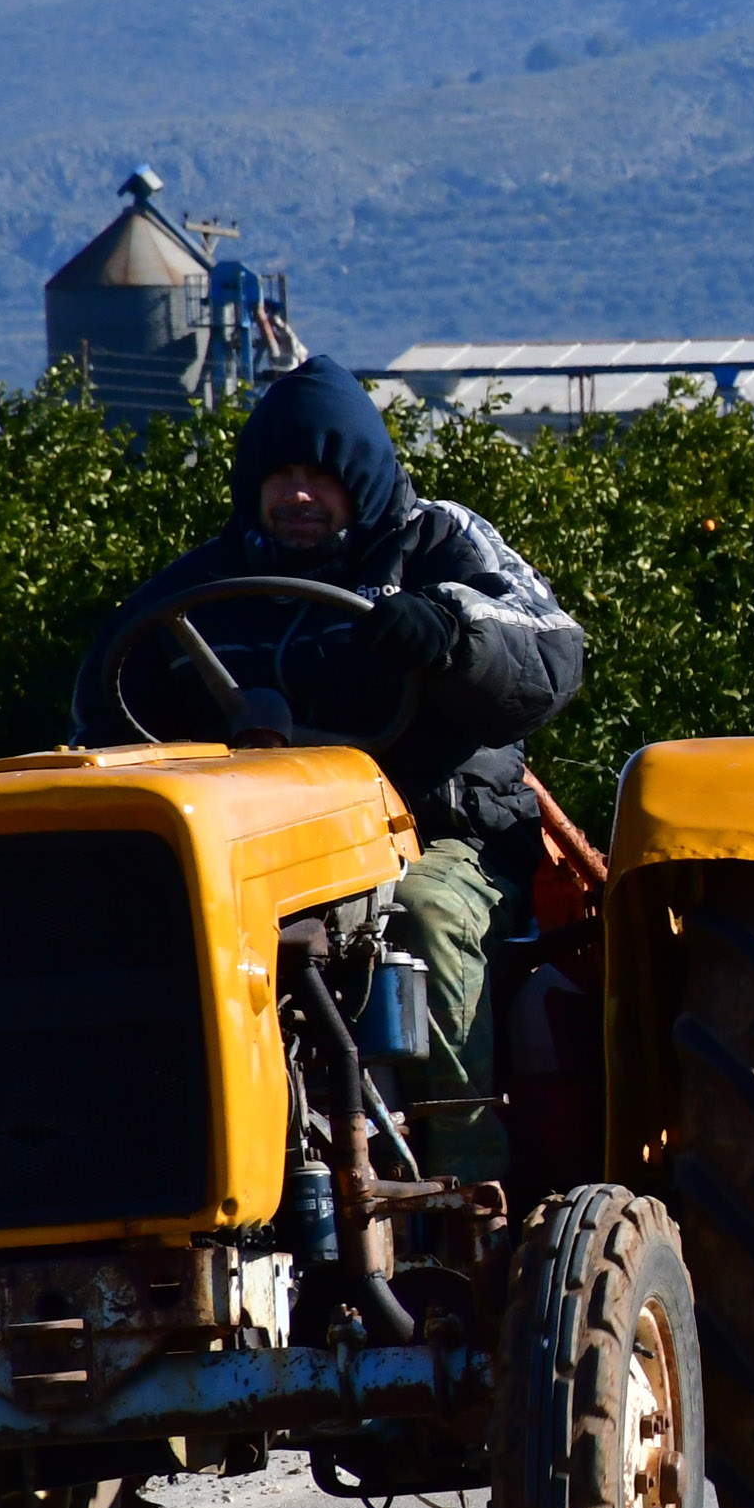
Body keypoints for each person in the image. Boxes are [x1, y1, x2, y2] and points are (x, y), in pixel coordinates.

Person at [74, 357, 584, 1176]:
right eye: (281, 474)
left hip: (429, 832)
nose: (298, 493)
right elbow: (108, 709)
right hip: (256, 858)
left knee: (423, 922)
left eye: (321, 474)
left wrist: (451, 633)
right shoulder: (202, 588)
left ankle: (465, 1186)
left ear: (364, 480)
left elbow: (549, 647)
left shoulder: (434, 542)